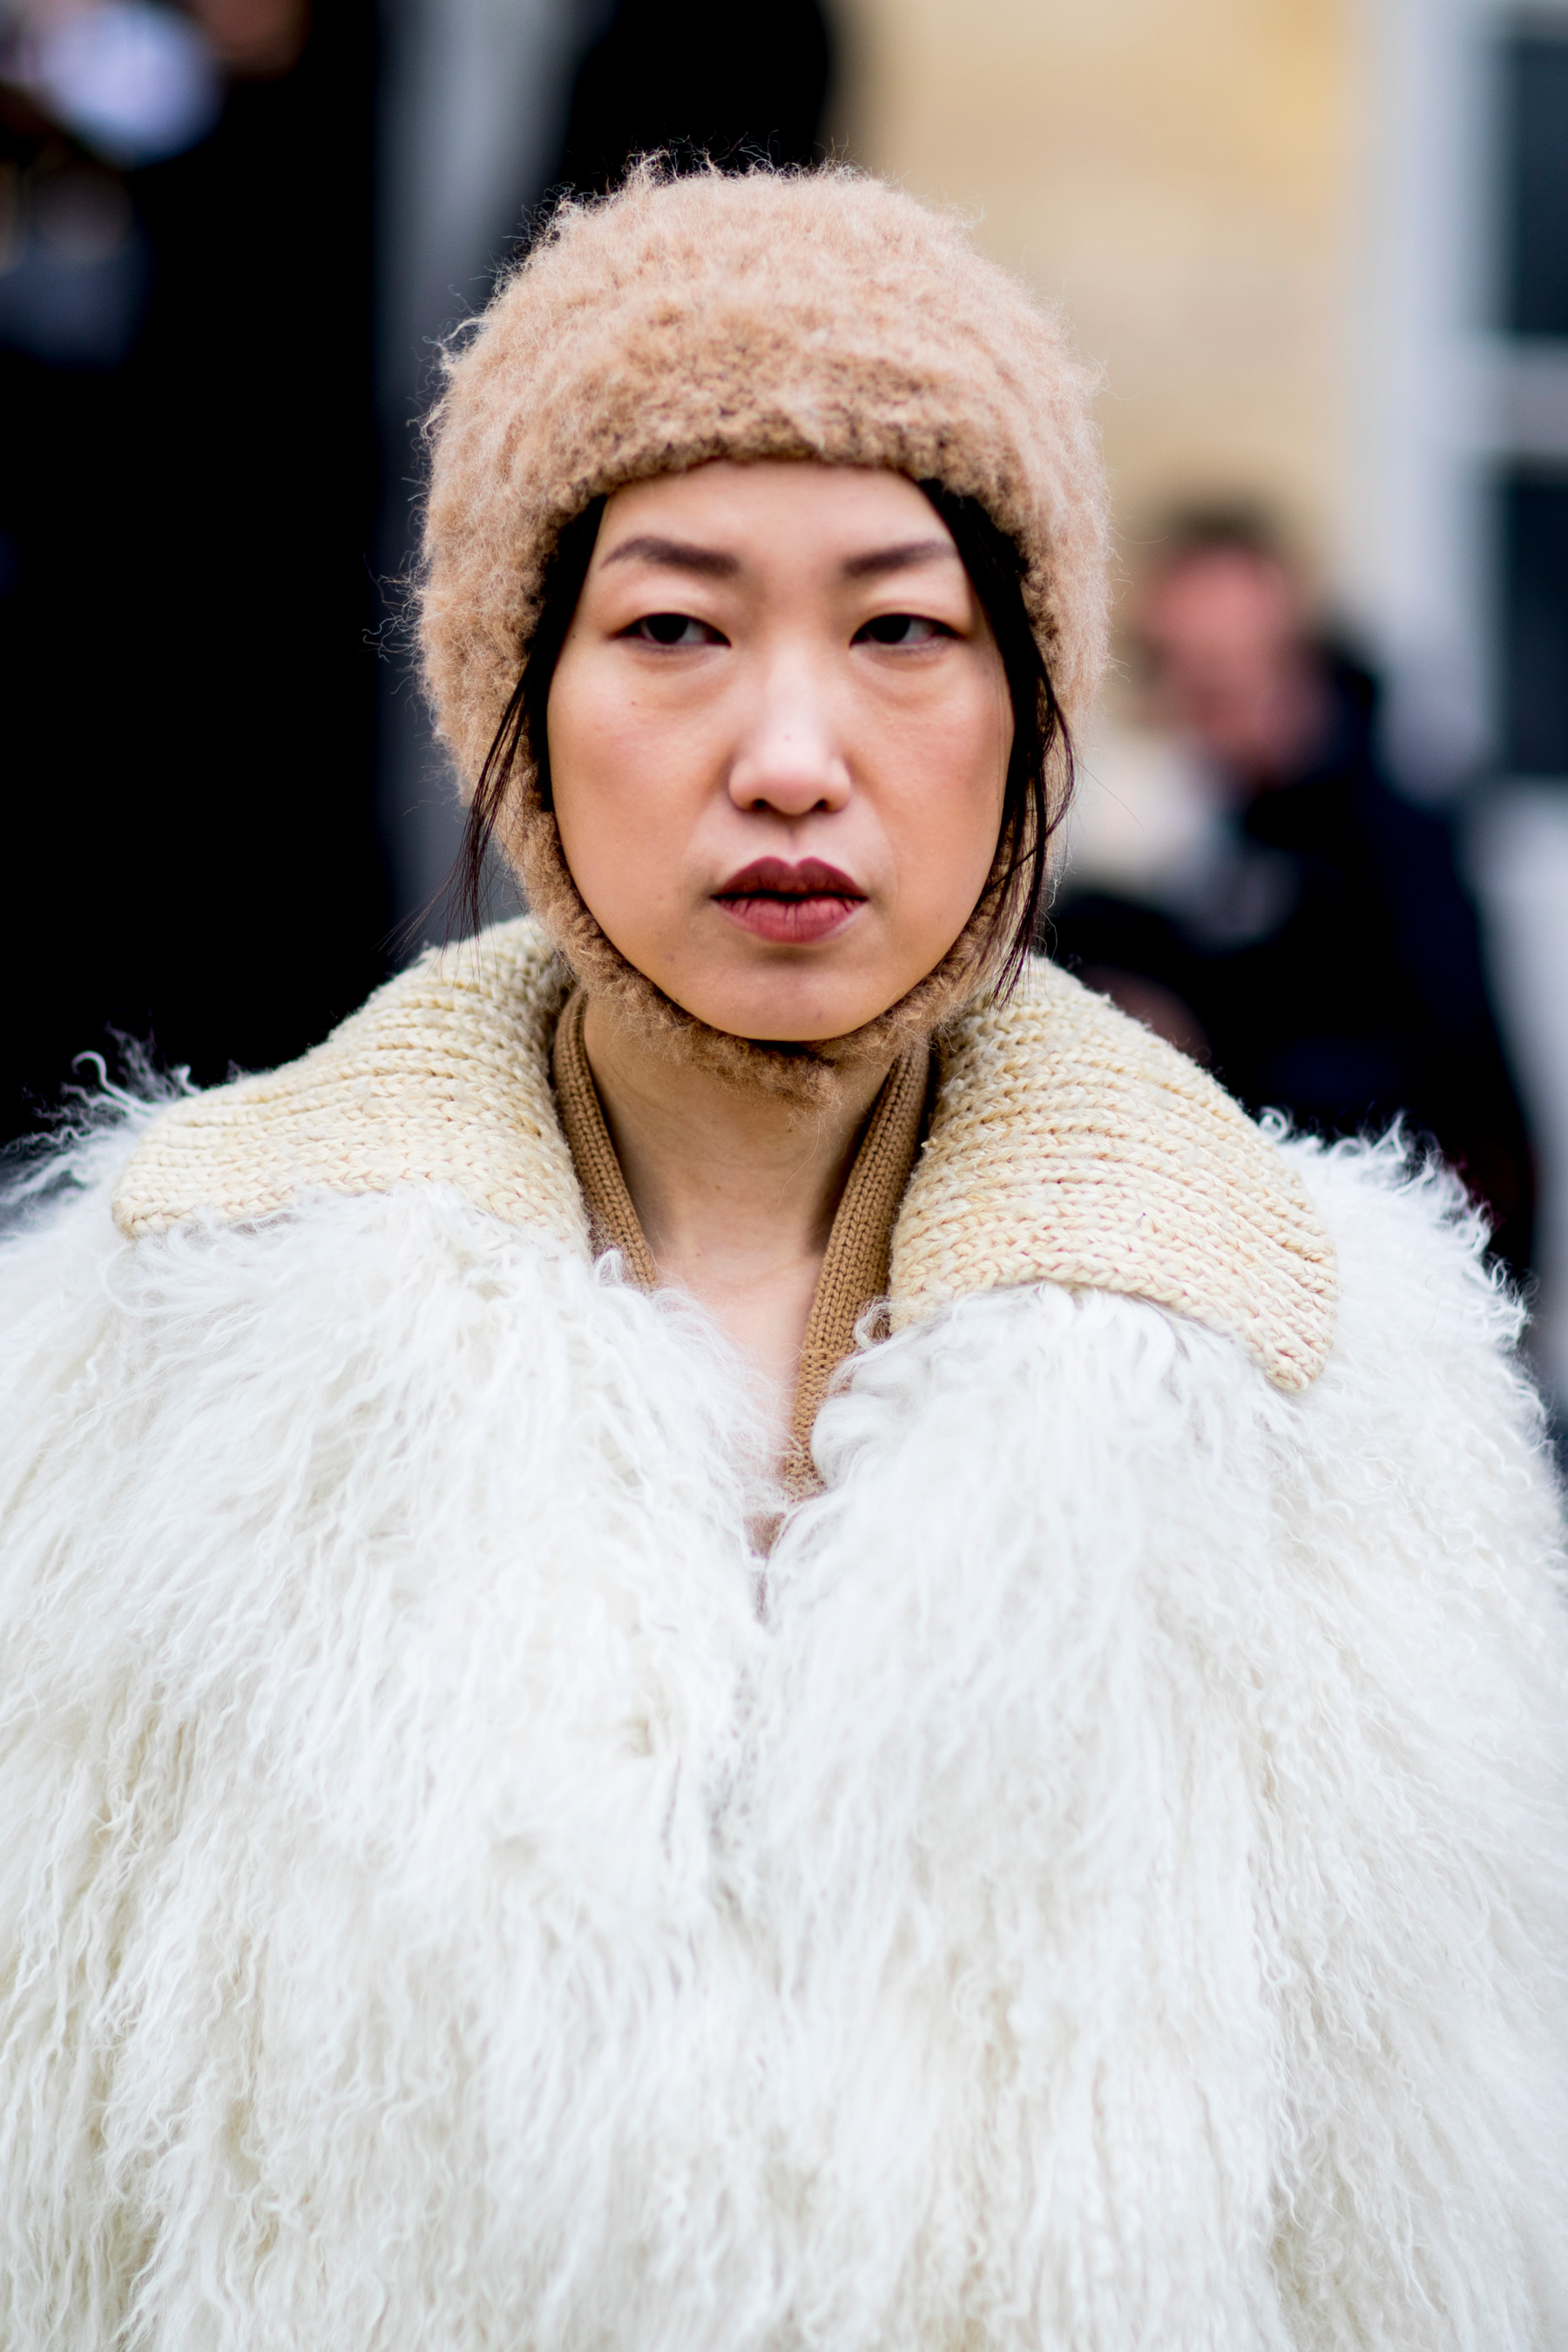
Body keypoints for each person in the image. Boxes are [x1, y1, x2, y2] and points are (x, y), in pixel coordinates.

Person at [1, 168, 1565, 2350]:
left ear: (1030, 694)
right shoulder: (164, 1345)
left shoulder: (1312, 1378)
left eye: (901, 629)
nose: (793, 758)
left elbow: (1435, 2251)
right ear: (515, 686)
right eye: (673, 627)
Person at [1051, 512, 1536, 1273]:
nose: (1187, 702)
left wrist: (1206, 1044)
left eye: (1214, 674)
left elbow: (1438, 1074)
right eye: (1166, 668)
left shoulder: (1397, 823)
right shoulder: (1229, 819)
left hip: (1422, 1251)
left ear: (1287, 654)